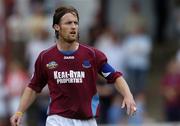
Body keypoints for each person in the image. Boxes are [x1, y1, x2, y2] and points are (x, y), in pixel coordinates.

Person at [10, 6, 136, 126]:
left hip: (87, 120)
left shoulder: (92, 54)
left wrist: (128, 95)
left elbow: (115, 76)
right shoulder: (45, 57)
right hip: (57, 120)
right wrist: (19, 111)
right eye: (68, 23)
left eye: (76, 23)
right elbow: (33, 87)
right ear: (57, 27)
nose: (73, 27)